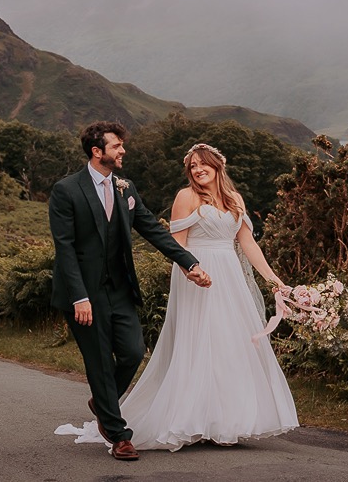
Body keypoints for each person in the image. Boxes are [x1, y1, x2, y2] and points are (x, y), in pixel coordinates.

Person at [56, 141, 298, 453]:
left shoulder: (234, 199)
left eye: (202, 164)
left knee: (229, 345)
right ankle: (187, 418)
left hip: (230, 280)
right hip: (197, 277)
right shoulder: (186, 197)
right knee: (200, 344)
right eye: (192, 166)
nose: (197, 170)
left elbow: (247, 244)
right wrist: (191, 271)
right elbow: (175, 243)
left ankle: (222, 422)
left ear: (217, 165)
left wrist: (274, 280)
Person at [49, 121, 212, 461]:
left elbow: (153, 229)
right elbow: (64, 248)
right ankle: (119, 435)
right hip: (83, 294)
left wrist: (189, 263)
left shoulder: (126, 188)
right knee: (98, 362)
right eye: (116, 145)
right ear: (97, 152)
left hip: (119, 289)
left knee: (134, 351)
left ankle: (101, 402)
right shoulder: (67, 191)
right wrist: (79, 297)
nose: (123, 150)